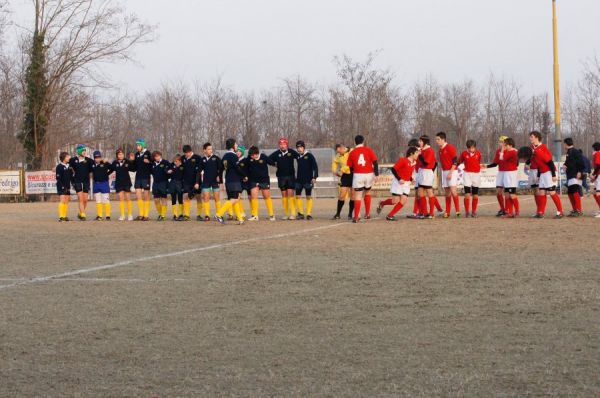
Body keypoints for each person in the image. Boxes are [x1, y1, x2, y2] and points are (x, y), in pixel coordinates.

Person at [377, 147, 419, 221]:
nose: (417, 154)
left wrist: (411, 179)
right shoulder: (403, 160)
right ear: (411, 153)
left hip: (406, 184)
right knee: (395, 201)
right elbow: (393, 169)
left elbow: (407, 173)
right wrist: (399, 179)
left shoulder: (414, 163)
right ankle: (382, 203)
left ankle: (390, 215)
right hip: (398, 183)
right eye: (416, 153)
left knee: (403, 200)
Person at [529, 131, 564, 219]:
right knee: (542, 192)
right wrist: (538, 175)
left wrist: (553, 175)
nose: (530, 138)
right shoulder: (534, 148)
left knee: (552, 192)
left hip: (549, 172)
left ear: (537, 137)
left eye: (532, 137)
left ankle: (560, 212)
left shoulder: (542, 148)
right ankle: (540, 212)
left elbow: (549, 162)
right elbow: (538, 164)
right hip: (542, 173)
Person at [346, 134, 379, 223]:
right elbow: (375, 162)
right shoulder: (368, 150)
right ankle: (367, 214)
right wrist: (376, 175)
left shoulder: (352, 152)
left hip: (358, 174)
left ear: (354, 142)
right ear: (363, 142)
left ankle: (356, 217)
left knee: (358, 195)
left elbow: (350, 167)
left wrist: (354, 174)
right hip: (369, 174)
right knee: (367, 192)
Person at [215, 138, 245, 225]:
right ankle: (219, 214)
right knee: (235, 199)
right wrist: (244, 176)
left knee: (234, 199)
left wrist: (221, 182)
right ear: (232, 146)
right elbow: (237, 168)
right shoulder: (233, 156)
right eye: (235, 144)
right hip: (234, 180)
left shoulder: (224, 156)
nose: (236, 146)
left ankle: (240, 219)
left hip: (228, 180)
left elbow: (220, 170)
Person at [240, 146, 275, 221]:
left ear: (256, 154)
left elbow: (272, 163)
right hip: (254, 180)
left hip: (264, 180)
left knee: (266, 196)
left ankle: (271, 215)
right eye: (250, 155)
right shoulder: (249, 158)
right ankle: (255, 215)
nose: (251, 156)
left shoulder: (263, 157)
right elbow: (243, 165)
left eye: (252, 155)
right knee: (253, 196)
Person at [268, 138, 299, 220]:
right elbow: (268, 159)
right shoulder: (276, 153)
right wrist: (274, 164)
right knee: (284, 195)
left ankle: (293, 213)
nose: (282, 146)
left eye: (284, 144)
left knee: (290, 194)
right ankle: (285, 213)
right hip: (281, 177)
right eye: (281, 144)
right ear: (279, 145)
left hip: (290, 176)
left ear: (287, 144)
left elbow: (299, 157)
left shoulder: (291, 152)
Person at [436, 132, 460, 218]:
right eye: (436, 139)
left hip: (452, 171)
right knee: (447, 193)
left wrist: (450, 172)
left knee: (453, 191)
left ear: (443, 139)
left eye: (438, 139)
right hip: (444, 171)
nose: (437, 141)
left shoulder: (450, 147)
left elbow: (455, 161)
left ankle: (458, 211)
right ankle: (448, 212)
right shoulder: (440, 150)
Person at [294, 141, 319, 220]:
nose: (299, 149)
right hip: (299, 180)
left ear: (304, 147)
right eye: (298, 147)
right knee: (297, 196)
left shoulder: (309, 155)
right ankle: (301, 213)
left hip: (308, 180)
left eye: (301, 147)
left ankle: (308, 214)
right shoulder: (297, 156)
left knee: (308, 196)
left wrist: (314, 177)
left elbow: (315, 167)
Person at [457, 140, 482, 218]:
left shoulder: (478, 153)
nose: (471, 149)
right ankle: (467, 211)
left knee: (475, 195)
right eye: (470, 148)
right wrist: (453, 168)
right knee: (467, 194)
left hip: (476, 175)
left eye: (473, 148)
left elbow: (478, 162)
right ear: (467, 148)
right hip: (467, 174)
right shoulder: (464, 154)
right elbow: (459, 162)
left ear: (475, 147)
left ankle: (474, 211)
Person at [69, 144, 93, 221]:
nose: (84, 152)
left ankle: (80, 213)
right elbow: (66, 165)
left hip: (86, 181)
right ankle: (83, 215)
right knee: (81, 198)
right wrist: (55, 168)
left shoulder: (89, 160)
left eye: (85, 150)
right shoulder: (73, 160)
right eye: (83, 150)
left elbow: (95, 167)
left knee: (85, 200)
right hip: (77, 181)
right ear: (79, 151)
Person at [200, 142, 223, 221]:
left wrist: (219, 177)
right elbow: (199, 171)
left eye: (211, 149)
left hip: (215, 182)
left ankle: (219, 214)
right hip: (206, 182)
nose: (210, 150)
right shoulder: (202, 159)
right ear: (204, 150)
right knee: (206, 197)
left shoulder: (216, 158)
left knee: (217, 198)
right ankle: (207, 215)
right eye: (209, 149)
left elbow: (221, 168)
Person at [415, 135, 437, 219]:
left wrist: (420, 155)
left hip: (427, 172)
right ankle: (424, 212)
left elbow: (426, 163)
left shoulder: (429, 150)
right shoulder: (422, 150)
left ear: (425, 142)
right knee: (420, 193)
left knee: (429, 192)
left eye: (421, 141)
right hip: (421, 171)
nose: (419, 142)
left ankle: (431, 213)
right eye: (419, 141)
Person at [131, 139, 152, 221]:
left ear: (143, 146)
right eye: (137, 145)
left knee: (146, 196)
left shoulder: (148, 153)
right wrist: (132, 161)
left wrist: (149, 162)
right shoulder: (136, 154)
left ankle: (146, 215)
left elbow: (153, 163)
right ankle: (141, 214)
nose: (137, 147)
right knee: (138, 196)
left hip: (146, 177)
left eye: (139, 145)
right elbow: (134, 168)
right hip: (138, 177)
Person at [563, 138, 585, 217]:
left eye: (564, 143)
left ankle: (578, 210)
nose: (563, 145)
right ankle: (575, 209)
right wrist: (565, 164)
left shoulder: (575, 151)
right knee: (570, 192)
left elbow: (581, 162)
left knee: (574, 191)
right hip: (570, 174)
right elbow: (569, 161)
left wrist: (579, 171)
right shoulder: (569, 152)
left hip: (575, 174)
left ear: (566, 144)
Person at [331, 144, 354, 220]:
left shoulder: (351, 152)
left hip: (353, 174)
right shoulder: (338, 155)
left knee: (353, 195)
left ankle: (350, 214)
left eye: (339, 151)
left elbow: (350, 164)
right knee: (342, 195)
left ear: (343, 148)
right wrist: (334, 170)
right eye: (337, 152)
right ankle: (338, 214)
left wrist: (341, 170)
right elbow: (335, 162)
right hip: (345, 176)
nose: (339, 153)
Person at [181, 145, 202, 221]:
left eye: (187, 153)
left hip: (196, 181)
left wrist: (197, 182)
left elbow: (198, 171)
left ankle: (199, 215)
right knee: (185, 196)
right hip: (186, 182)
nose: (185, 155)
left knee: (198, 197)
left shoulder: (197, 158)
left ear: (190, 151)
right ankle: (186, 215)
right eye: (185, 153)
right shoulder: (183, 158)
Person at [112, 149, 134, 221]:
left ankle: (130, 215)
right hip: (119, 183)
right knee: (121, 198)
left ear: (123, 155)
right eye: (119, 154)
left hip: (127, 182)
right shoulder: (114, 162)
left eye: (121, 154)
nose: (120, 155)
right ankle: (122, 215)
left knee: (128, 198)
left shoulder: (127, 161)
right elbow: (110, 170)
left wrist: (132, 161)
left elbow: (133, 169)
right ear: (117, 155)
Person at [91, 150, 113, 221]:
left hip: (104, 183)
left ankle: (108, 215)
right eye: (96, 157)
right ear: (94, 158)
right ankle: (99, 216)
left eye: (99, 157)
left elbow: (112, 168)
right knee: (98, 200)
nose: (97, 159)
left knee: (106, 200)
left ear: (101, 157)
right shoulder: (92, 164)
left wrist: (107, 173)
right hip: (96, 184)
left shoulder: (104, 163)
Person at [151, 150, 170, 221]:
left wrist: (168, 172)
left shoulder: (165, 162)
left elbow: (171, 169)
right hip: (155, 183)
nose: (157, 157)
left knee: (163, 199)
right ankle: (160, 213)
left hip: (163, 183)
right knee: (156, 200)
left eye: (158, 156)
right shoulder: (152, 164)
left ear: (160, 155)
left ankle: (163, 215)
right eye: (155, 156)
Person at [491, 136, 508, 217]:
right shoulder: (498, 151)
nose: (500, 143)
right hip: (501, 172)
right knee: (498, 192)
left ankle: (508, 209)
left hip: (508, 173)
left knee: (508, 192)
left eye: (502, 142)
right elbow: (495, 163)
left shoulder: (510, 150)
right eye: (500, 142)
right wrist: (486, 166)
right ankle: (502, 209)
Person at [167, 155, 185, 221]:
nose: (175, 162)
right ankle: (175, 215)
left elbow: (185, 175)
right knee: (173, 199)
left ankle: (181, 214)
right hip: (172, 183)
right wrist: (168, 171)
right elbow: (166, 169)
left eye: (176, 161)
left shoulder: (183, 166)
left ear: (180, 161)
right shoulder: (172, 165)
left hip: (180, 184)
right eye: (174, 161)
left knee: (180, 199)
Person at [56, 152, 72, 222]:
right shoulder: (59, 167)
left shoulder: (69, 166)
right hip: (61, 186)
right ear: (64, 158)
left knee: (66, 201)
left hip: (67, 186)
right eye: (68, 157)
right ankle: (61, 217)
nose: (69, 158)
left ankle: (64, 216)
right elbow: (58, 178)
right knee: (62, 201)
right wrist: (62, 186)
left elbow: (70, 176)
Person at [591, 142, 600, 217]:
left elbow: (598, 166)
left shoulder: (597, 154)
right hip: (598, 176)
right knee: (594, 193)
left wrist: (594, 175)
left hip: (599, 176)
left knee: (598, 193)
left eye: (593, 148)